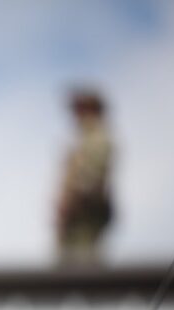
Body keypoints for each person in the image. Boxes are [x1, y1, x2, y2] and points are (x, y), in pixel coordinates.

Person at [55, 88, 114, 264]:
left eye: (81, 108)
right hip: (75, 219)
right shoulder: (85, 139)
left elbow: (90, 181)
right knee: (69, 267)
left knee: (84, 264)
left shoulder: (98, 138)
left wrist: (71, 204)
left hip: (84, 216)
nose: (76, 115)